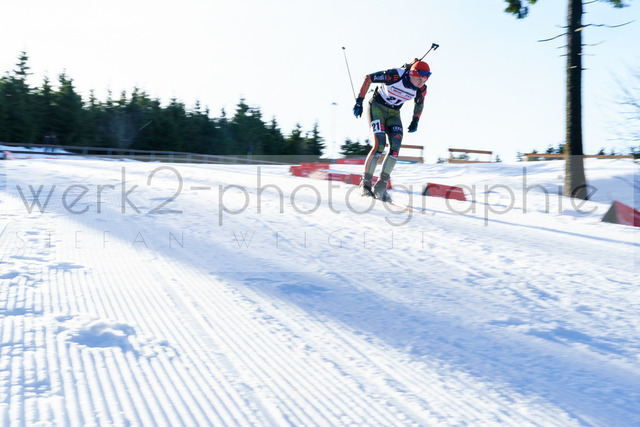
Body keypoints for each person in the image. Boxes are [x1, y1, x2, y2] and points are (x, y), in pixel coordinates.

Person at [353, 60, 431, 201]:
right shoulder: (395, 75)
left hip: (394, 113)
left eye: (424, 80)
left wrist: (415, 119)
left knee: (395, 148)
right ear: (411, 74)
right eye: (419, 79)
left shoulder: (421, 89)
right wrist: (360, 101)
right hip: (377, 107)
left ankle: (381, 186)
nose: (421, 83)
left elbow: (420, 104)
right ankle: (365, 184)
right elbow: (368, 78)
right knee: (379, 144)